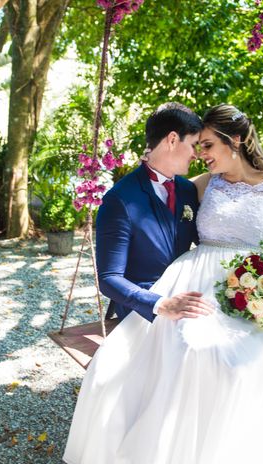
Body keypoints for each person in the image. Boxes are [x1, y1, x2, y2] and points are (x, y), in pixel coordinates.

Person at [63, 103, 263, 464]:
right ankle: (168, 460)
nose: (201, 155)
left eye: (207, 146)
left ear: (235, 141)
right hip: (194, 281)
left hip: (254, 291)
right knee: (184, 350)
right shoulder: (203, 184)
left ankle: (221, 461)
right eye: (196, 146)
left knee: (231, 365)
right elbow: (158, 193)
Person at [95, 102, 215, 324]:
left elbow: (208, 243)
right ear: (172, 140)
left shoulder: (188, 191)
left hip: (184, 296)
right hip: (143, 308)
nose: (196, 155)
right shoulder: (119, 200)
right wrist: (160, 305)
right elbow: (109, 278)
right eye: (193, 145)